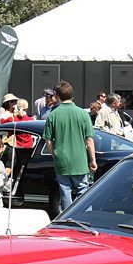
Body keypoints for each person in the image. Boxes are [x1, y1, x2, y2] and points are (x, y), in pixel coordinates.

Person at [44, 81, 97, 212]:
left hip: (61, 159)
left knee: (65, 191)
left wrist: (54, 154)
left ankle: (68, 218)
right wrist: (93, 160)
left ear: (57, 96)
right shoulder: (83, 114)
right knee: (83, 190)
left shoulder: (53, 115)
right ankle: (84, 217)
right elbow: (89, 140)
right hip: (79, 159)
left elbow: (48, 140)